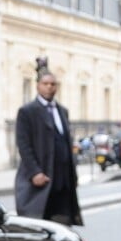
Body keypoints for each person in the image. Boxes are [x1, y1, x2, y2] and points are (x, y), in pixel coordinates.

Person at [15, 70, 83, 226]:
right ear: (38, 86)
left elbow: (67, 141)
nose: (49, 87)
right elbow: (23, 145)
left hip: (63, 180)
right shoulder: (27, 111)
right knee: (42, 225)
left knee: (64, 227)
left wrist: (73, 174)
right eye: (45, 84)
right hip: (43, 180)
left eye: (53, 84)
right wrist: (35, 172)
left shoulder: (62, 111)